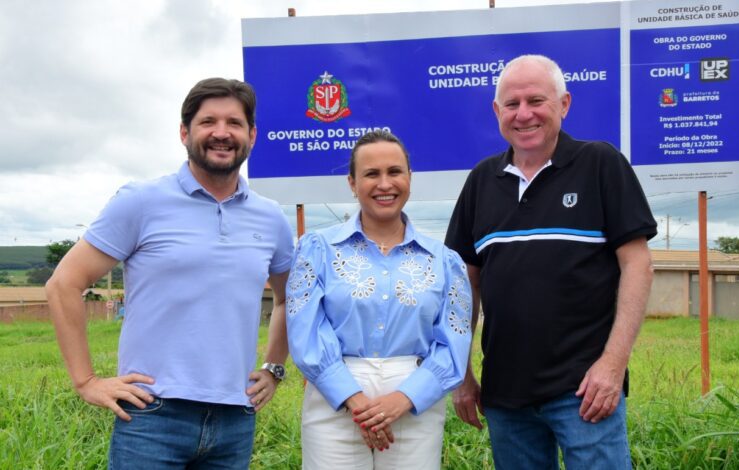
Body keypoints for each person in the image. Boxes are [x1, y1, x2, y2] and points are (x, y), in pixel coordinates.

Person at [46, 78, 294, 469]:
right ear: (184, 132)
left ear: (252, 135)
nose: (221, 133)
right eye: (208, 121)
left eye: (234, 123)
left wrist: (274, 367)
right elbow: (63, 285)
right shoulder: (141, 202)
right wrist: (86, 381)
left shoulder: (272, 217)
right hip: (151, 415)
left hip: (235, 418)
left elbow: (286, 298)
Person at [445, 54, 656, 469]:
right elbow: (462, 285)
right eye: (512, 103)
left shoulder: (601, 164)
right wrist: (462, 373)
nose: (524, 114)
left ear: (564, 104)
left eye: (536, 101)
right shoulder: (481, 181)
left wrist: (612, 366)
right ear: (496, 112)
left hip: (585, 392)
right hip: (505, 396)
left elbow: (638, 266)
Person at [286, 130, 472, 469]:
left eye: (394, 172)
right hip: (334, 401)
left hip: (416, 403)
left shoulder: (445, 262)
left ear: (410, 178)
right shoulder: (317, 250)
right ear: (352, 183)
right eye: (371, 174)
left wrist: (403, 399)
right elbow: (305, 330)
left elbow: (454, 345)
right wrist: (355, 401)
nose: (384, 184)